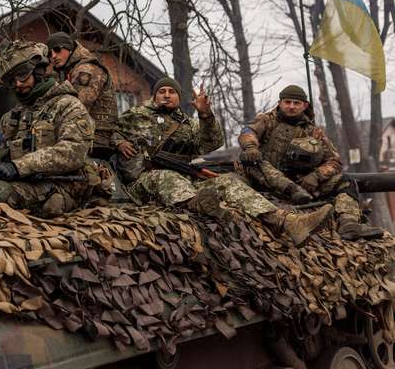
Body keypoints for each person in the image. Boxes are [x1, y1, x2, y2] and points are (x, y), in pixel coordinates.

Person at [113, 77, 332, 246]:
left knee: (228, 182)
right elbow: (106, 131)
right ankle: (199, 204)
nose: (167, 95)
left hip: (184, 181)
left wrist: (206, 116)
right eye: (162, 91)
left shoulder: (187, 124)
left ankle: (286, 221)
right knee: (164, 176)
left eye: (172, 92)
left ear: (179, 98)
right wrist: (119, 141)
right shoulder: (136, 114)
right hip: (141, 182)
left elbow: (212, 142)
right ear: (154, 96)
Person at [238, 84, 382, 240]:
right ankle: (291, 191)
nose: (291, 106)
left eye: (296, 103)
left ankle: (349, 223)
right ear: (280, 103)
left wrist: (316, 175)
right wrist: (251, 146)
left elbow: (334, 161)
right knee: (254, 160)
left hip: (300, 183)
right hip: (264, 178)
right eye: (287, 102)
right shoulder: (267, 120)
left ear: (304, 105)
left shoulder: (314, 132)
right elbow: (248, 131)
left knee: (345, 181)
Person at [0, 40, 96, 217]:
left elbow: (73, 151)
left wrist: (19, 166)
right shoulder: (10, 118)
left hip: (63, 186)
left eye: (23, 75)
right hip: (24, 183)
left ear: (39, 70)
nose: (17, 84)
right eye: (11, 81)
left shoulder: (68, 106)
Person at [47, 32, 117, 159]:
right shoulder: (70, 70)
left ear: (69, 48)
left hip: (96, 142)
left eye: (57, 50)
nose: (53, 56)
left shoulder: (86, 69)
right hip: (84, 136)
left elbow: (77, 108)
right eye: (49, 53)